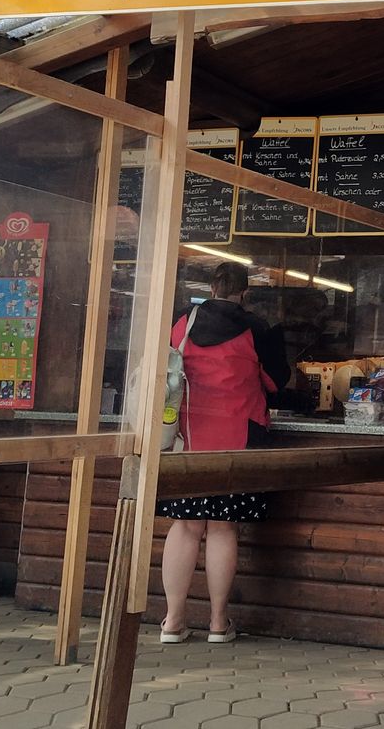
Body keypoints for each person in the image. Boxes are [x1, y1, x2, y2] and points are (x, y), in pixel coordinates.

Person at [155, 262, 289, 645]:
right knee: (222, 527)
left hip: (189, 436)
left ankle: (173, 622)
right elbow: (275, 381)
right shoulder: (257, 328)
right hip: (237, 438)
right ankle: (217, 623)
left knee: (185, 526)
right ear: (244, 292)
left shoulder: (183, 321)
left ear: (211, 288)